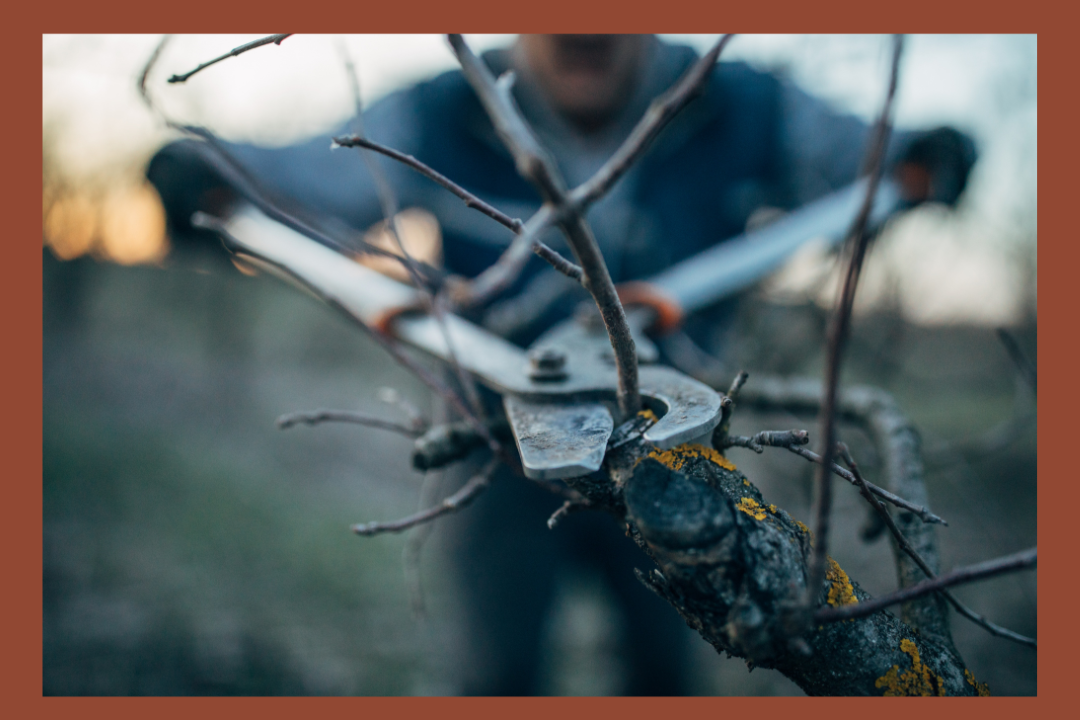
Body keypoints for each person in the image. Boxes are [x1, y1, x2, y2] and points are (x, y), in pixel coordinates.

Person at [147, 34, 976, 695]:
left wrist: (918, 158)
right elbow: (303, 179)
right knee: (494, 676)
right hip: (495, 445)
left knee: (667, 675)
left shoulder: (741, 100)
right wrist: (215, 180)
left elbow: (863, 155)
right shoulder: (444, 109)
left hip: (676, 452)